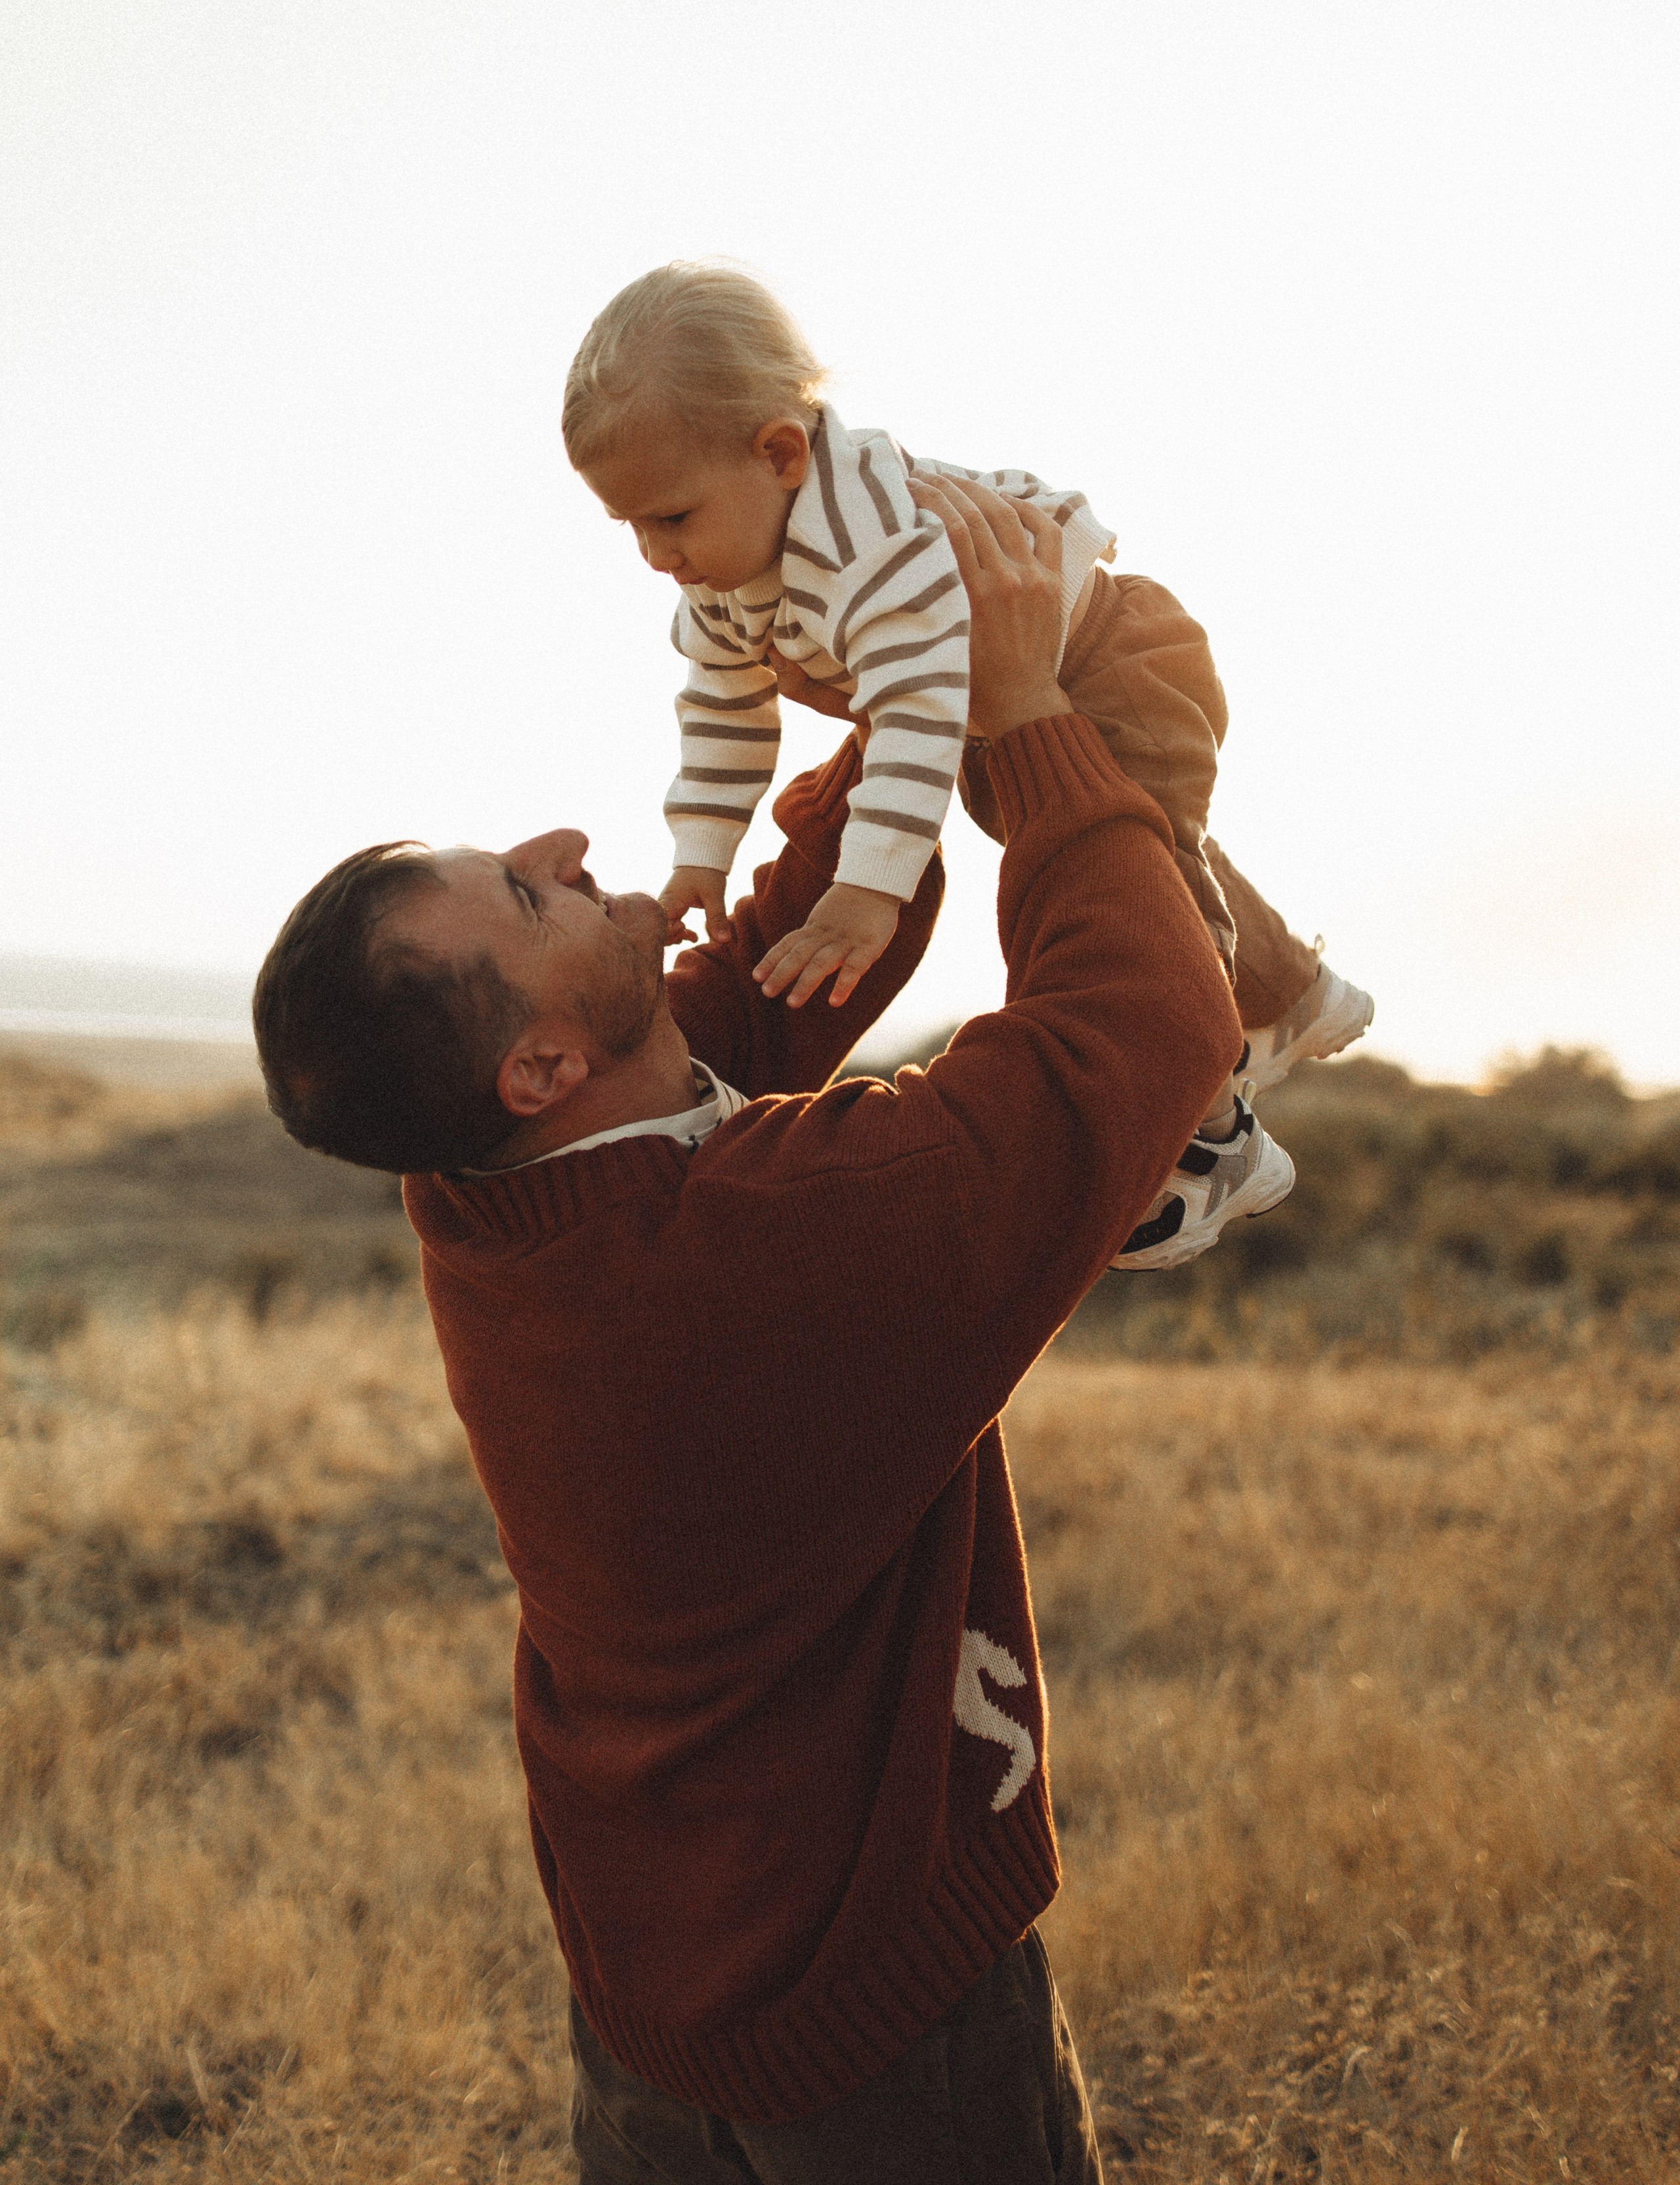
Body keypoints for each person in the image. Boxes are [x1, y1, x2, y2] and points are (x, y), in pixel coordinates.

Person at [253, 484, 1244, 2182]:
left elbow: (800, 950)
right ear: (541, 1068)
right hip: (857, 1996)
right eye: (527, 889)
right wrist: (1022, 715)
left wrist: (914, 663)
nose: (568, 846)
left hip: (660, 1940)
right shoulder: (762, 1244)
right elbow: (1140, 1035)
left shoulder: (495, 1186)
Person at [562, 260, 1374, 1268]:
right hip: (1006, 703)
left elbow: (914, 709)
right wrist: (701, 857)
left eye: (670, 517)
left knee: (1113, 890)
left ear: (779, 454)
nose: (652, 553)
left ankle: (1211, 1132)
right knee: (1117, 849)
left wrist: (866, 892)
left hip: (1115, 660)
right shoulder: (723, 575)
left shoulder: (869, 535)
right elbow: (722, 714)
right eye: (627, 524)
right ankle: (1292, 992)